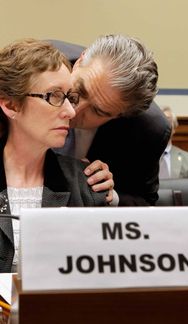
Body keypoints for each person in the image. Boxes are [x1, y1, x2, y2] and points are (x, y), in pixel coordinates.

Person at [0, 39, 111, 272]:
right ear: (11, 105)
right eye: (53, 96)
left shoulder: (86, 184)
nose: (71, 111)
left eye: (69, 97)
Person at [51, 37, 171, 206]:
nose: (73, 110)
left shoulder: (147, 129)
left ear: (121, 115)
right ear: (80, 61)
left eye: (97, 111)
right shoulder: (39, 64)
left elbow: (142, 201)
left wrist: (110, 195)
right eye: (80, 90)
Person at [159, 106, 188, 179]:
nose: (163, 124)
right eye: (159, 120)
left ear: (174, 128)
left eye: (167, 120)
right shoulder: (144, 158)